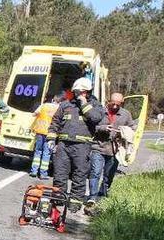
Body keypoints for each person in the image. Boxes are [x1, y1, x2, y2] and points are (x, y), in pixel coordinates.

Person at [46, 78, 104, 213]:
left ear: (87, 92)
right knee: (60, 173)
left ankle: (74, 204)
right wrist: (51, 139)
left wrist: (84, 104)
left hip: (82, 147)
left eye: (81, 92)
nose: (78, 95)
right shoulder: (66, 105)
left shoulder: (96, 106)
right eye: (77, 92)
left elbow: (95, 118)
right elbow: (55, 122)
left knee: (79, 175)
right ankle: (58, 199)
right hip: (63, 146)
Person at [89, 92, 136, 201]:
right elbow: (91, 127)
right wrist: (103, 128)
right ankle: (92, 197)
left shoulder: (126, 114)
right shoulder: (100, 112)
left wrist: (125, 132)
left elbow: (133, 127)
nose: (114, 106)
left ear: (122, 103)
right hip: (98, 147)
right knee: (95, 172)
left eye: (118, 104)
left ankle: (102, 196)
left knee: (108, 175)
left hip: (115, 150)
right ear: (108, 101)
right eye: (112, 103)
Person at [29, 95, 61, 178]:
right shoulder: (59, 109)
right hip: (51, 133)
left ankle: (34, 171)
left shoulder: (44, 105)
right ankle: (43, 174)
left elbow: (34, 114)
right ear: (60, 102)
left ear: (53, 100)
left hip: (40, 131)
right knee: (47, 153)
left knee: (38, 151)